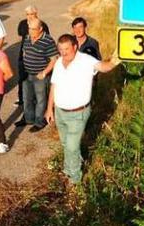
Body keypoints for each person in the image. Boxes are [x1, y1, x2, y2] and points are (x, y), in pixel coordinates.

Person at [45, 34, 120, 184]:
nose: (64, 53)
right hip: (60, 111)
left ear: (75, 47)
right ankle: (69, 167)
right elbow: (54, 85)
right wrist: (49, 108)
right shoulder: (59, 62)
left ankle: (75, 178)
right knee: (66, 144)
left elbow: (105, 67)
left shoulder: (86, 60)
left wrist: (116, 58)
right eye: (61, 49)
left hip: (78, 113)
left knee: (72, 146)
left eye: (67, 49)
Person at [15, 19, 58, 131]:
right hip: (27, 74)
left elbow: (54, 59)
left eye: (33, 29)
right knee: (27, 97)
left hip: (40, 76)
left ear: (40, 29)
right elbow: (25, 52)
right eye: (29, 28)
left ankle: (39, 122)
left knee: (41, 99)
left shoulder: (48, 40)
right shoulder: (28, 37)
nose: (30, 31)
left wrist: (44, 72)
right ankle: (28, 119)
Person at [15, 6, 50, 107]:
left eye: (31, 14)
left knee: (37, 79)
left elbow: (46, 38)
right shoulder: (22, 23)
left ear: (36, 14)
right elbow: (20, 34)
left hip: (38, 56)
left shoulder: (43, 25)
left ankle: (36, 99)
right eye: (27, 14)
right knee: (22, 77)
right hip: (23, 55)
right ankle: (21, 98)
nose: (29, 16)